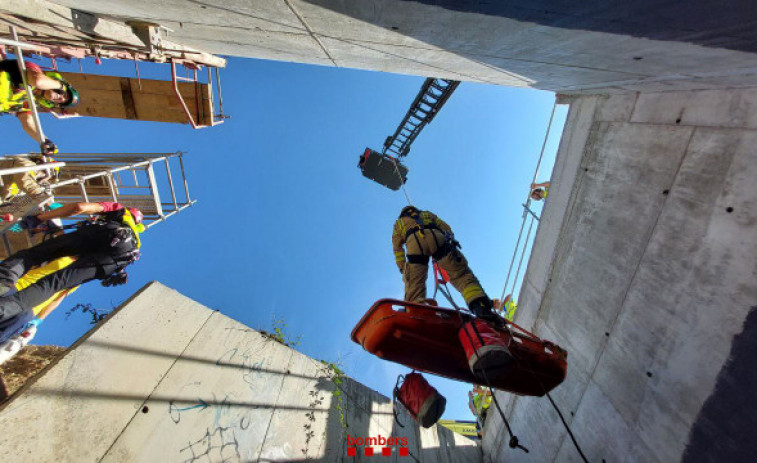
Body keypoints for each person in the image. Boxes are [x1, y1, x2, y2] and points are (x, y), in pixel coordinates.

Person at [0, 201, 144, 335]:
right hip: (117, 259)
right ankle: (5, 309)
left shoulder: (120, 210)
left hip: (108, 233)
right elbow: (60, 295)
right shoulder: (136, 245)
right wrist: (38, 320)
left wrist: (38, 218)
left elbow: (79, 208)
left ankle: (3, 282)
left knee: (34, 255)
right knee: (54, 284)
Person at [391, 206, 498, 321]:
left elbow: (397, 248)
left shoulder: (399, 223)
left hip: (414, 244)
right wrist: (451, 239)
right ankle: (479, 306)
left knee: (414, 286)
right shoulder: (426, 214)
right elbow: (445, 226)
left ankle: (415, 314)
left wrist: (403, 268)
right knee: (461, 274)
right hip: (437, 238)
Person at [0, 59, 80, 152]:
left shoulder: (29, 101)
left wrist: (44, 140)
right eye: (64, 95)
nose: (61, 99)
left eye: (61, 103)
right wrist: (61, 86)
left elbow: (27, 122)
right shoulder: (34, 70)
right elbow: (38, 81)